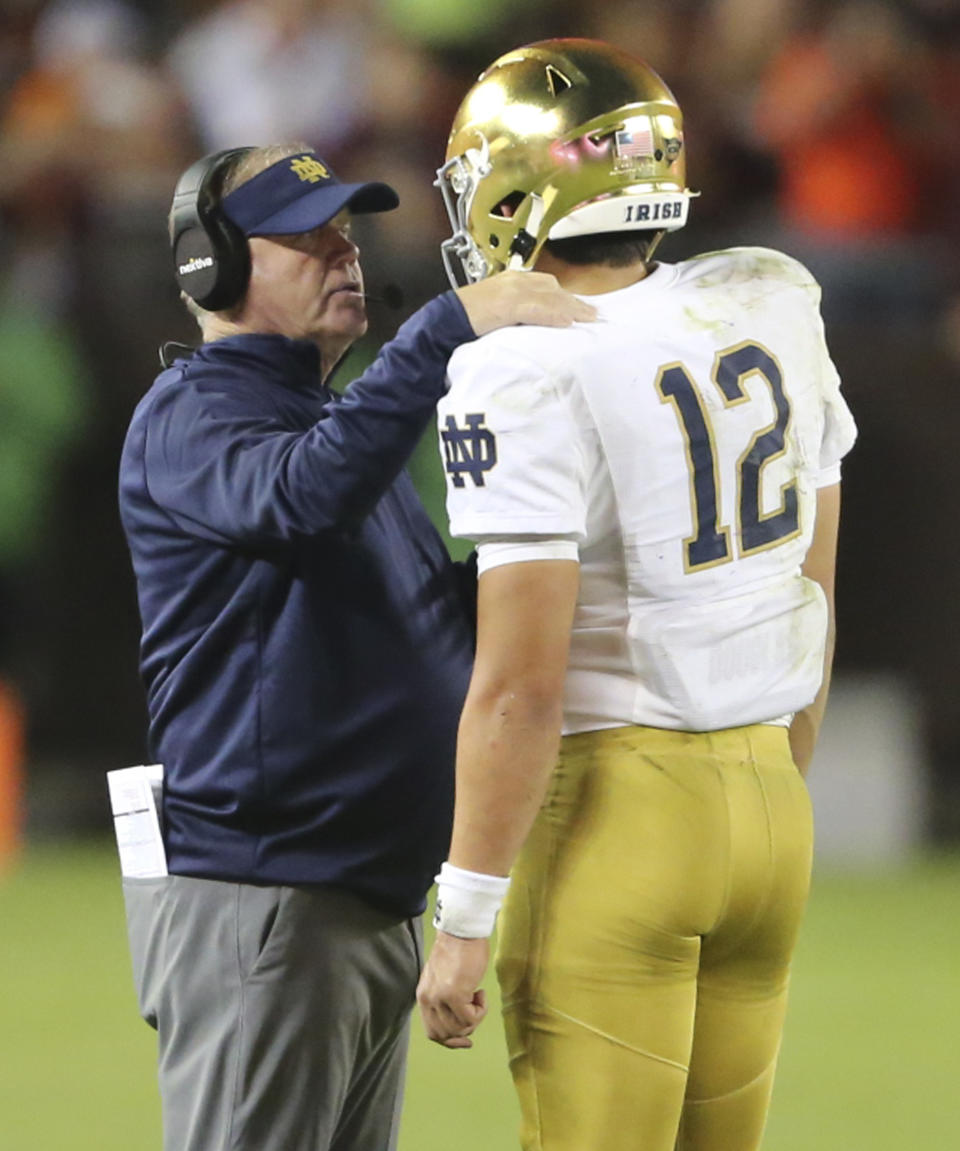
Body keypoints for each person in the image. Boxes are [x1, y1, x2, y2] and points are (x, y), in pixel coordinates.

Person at [416, 38, 857, 1151]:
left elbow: (519, 684)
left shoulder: (522, 364)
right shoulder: (768, 304)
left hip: (622, 812)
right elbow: (814, 587)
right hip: (770, 800)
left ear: (523, 192)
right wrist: (769, 783)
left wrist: (465, 913)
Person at [116, 141, 594, 1151]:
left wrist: (544, 566)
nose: (346, 252)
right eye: (307, 235)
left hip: (358, 901)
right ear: (214, 263)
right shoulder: (192, 411)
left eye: (348, 230)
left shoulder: (321, 417)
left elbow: (427, 615)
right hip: (265, 897)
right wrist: (443, 334)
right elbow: (302, 498)